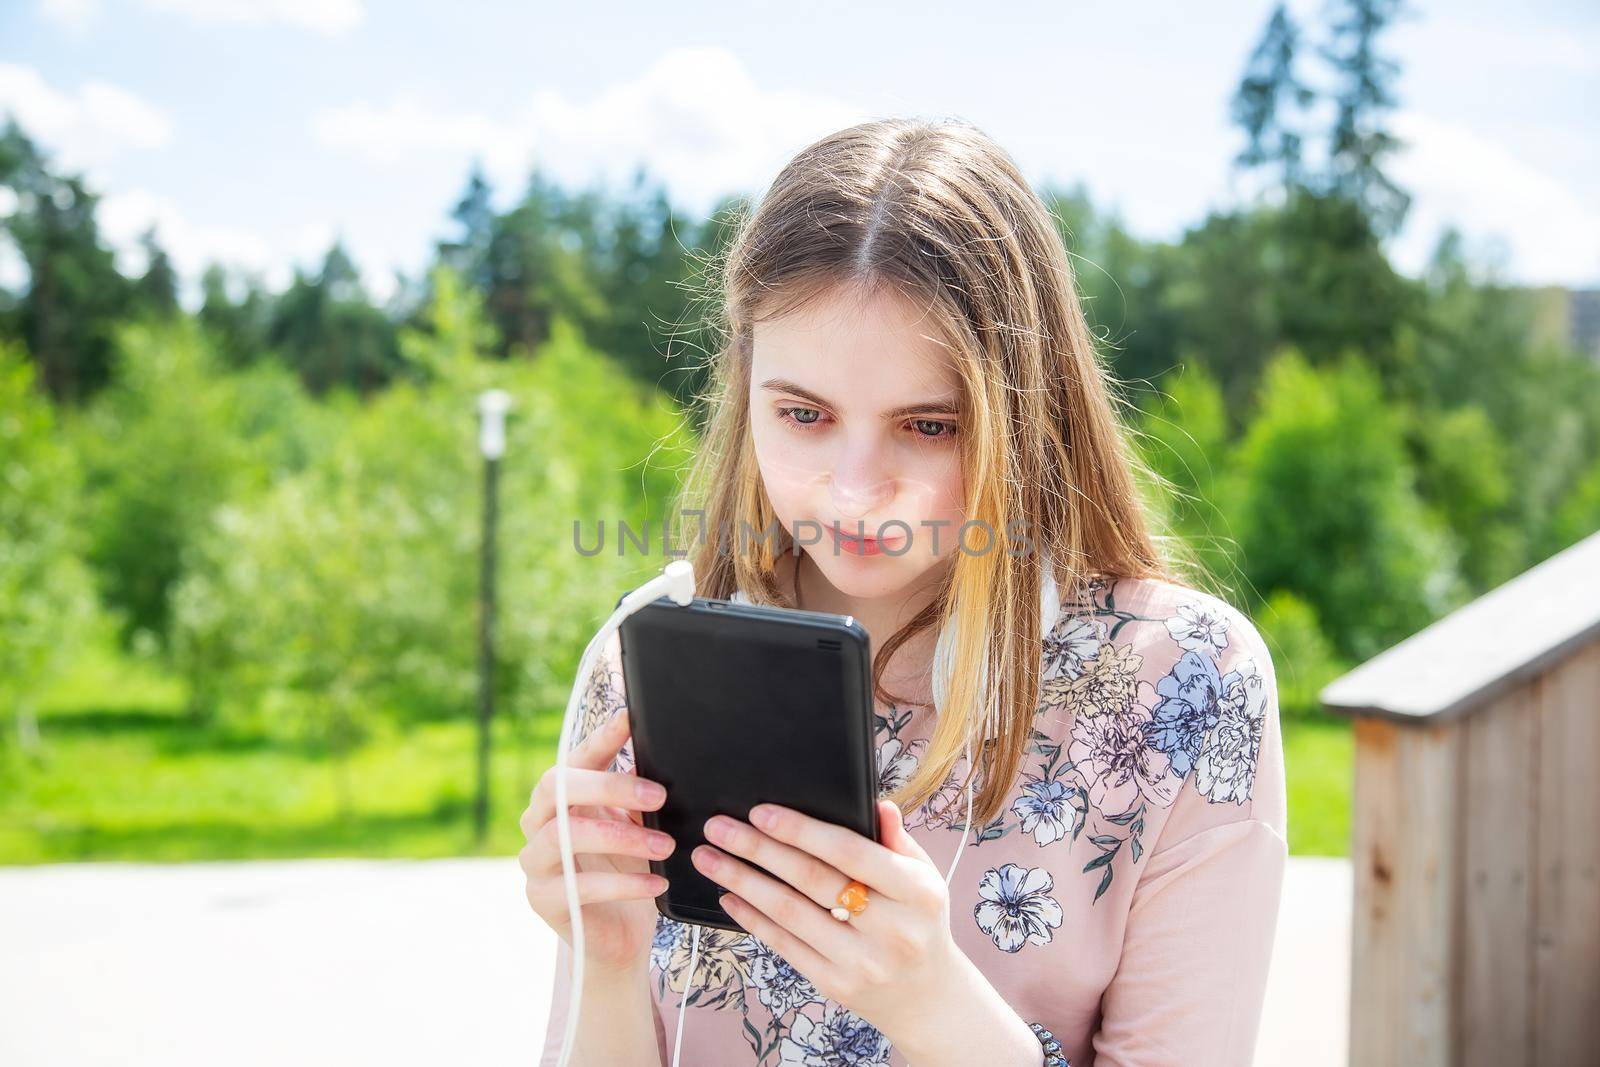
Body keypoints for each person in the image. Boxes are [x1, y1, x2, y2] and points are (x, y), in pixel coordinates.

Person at [520, 117, 1286, 1067]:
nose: (854, 490)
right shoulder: (649, 656)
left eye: (928, 426)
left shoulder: (1185, 683)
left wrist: (933, 1007)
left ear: (1024, 410)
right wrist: (605, 964)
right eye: (803, 414)